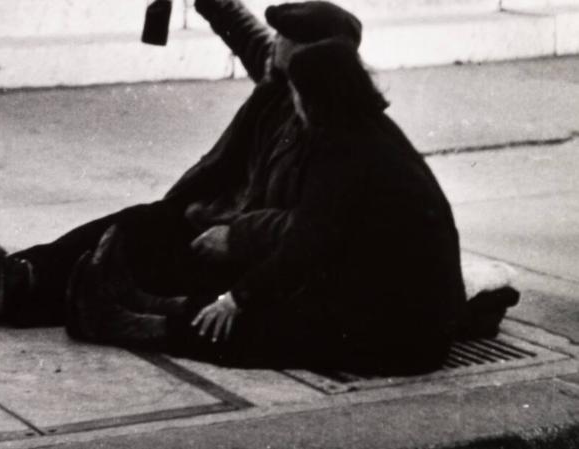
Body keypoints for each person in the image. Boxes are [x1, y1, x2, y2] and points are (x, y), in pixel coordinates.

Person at [0, 0, 369, 330]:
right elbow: (239, 25)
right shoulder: (280, 83)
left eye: (285, 41)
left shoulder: (336, 133)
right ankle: (1, 278)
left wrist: (236, 237)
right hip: (202, 224)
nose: (272, 46)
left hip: (238, 258)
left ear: (318, 60)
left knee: (121, 261)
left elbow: (310, 225)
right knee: (126, 230)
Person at [68, 38, 517, 376]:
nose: (295, 105)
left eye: (298, 95)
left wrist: (237, 299)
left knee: (265, 327)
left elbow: (308, 241)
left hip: (403, 336)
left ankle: (128, 324)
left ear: (316, 97)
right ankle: (153, 307)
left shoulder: (342, 150)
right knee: (276, 301)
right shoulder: (370, 131)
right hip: (402, 309)